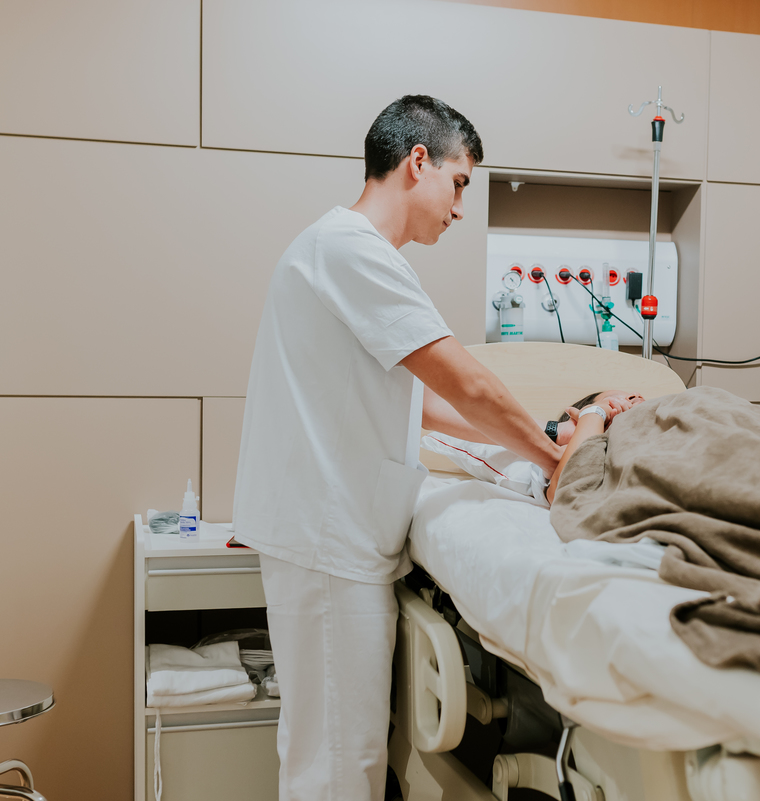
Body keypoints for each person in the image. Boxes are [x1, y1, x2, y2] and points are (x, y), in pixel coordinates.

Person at [231, 95, 563, 801]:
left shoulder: (343, 251)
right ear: (419, 162)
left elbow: (431, 406)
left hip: (333, 539)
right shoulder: (350, 249)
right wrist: (554, 457)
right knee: (336, 769)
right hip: (329, 542)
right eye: (461, 182)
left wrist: (541, 438)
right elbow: (466, 383)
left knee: (331, 757)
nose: (461, 207)